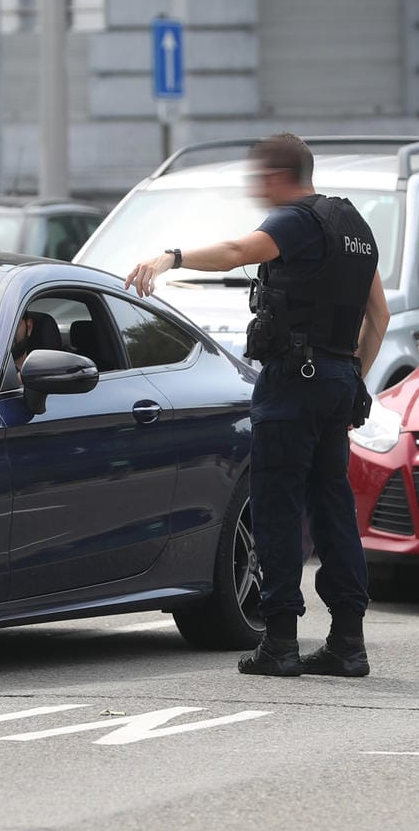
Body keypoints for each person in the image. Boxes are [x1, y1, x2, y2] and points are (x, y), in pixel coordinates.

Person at [125, 133, 389, 677]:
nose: (254, 188)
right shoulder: (354, 227)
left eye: (257, 176)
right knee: (333, 508)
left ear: (277, 175)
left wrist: (170, 257)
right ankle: (347, 642)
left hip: (294, 382)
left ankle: (282, 642)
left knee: (277, 509)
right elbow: (378, 315)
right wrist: (351, 377)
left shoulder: (294, 220)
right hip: (337, 379)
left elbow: (237, 253)